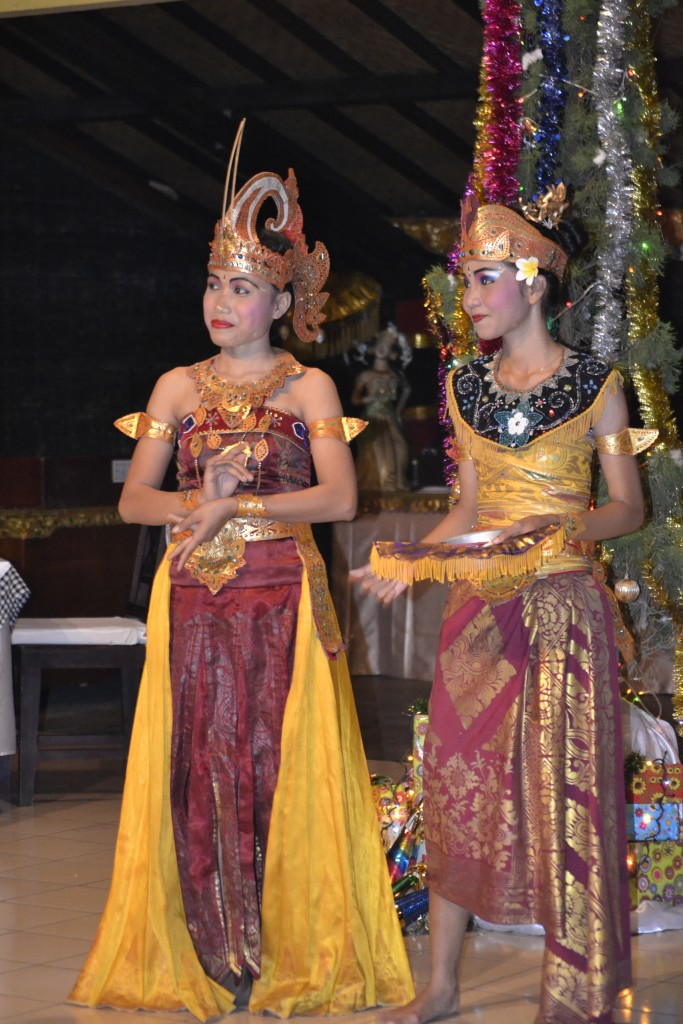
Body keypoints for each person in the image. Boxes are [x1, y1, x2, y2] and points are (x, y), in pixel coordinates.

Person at [69, 122, 414, 1022]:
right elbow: (134, 504)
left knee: (272, 764)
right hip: (192, 599)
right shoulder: (175, 388)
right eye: (215, 284)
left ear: (281, 302)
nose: (223, 301)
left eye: (244, 287)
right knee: (199, 766)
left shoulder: (310, 392)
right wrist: (196, 506)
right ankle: (211, 947)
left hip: (282, 602)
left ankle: (286, 942)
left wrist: (239, 506)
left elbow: (337, 501)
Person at [352, 189, 653, 1024]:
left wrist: (561, 525)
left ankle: (575, 988)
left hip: (563, 610)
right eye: (467, 281)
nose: (469, 298)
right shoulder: (461, 387)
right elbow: (467, 508)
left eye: (484, 278)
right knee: (455, 781)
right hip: (479, 614)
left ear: (533, 281)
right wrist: (415, 559)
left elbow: (627, 507)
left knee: (567, 793)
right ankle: (441, 984)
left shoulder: (600, 386)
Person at [351, 323, 412, 491]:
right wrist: (368, 398)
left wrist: (399, 409)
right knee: (380, 448)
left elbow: (402, 395)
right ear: (373, 348)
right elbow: (355, 399)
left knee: (400, 447)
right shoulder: (365, 376)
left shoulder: (395, 376)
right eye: (380, 345)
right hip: (372, 417)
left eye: (387, 346)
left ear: (393, 353)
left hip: (390, 417)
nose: (382, 349)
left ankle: (398, 483)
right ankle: (383, 485)